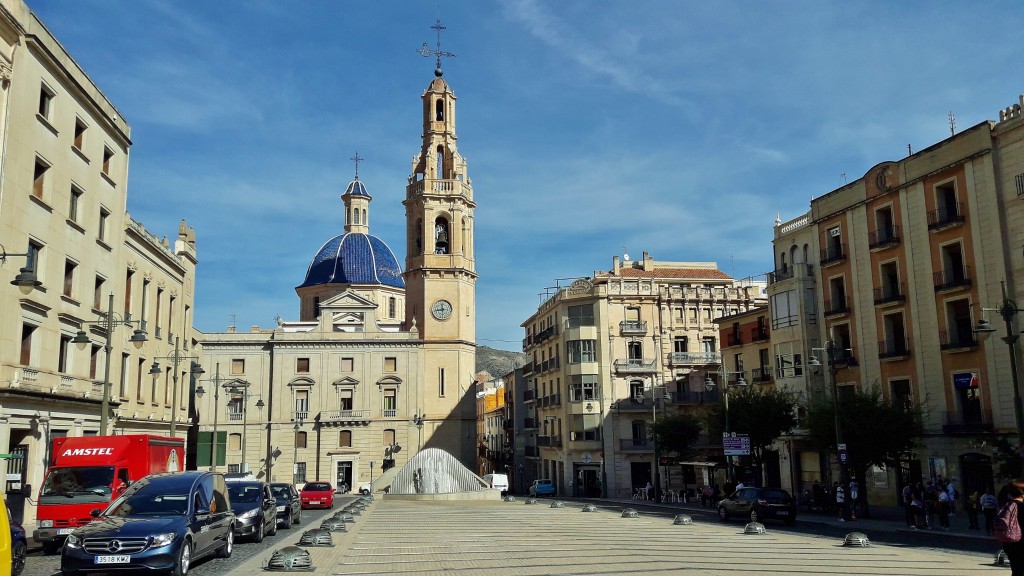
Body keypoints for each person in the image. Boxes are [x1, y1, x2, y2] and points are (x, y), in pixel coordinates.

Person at [999, 480, 1024, 576]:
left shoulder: (1006, 506)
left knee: (1016, 569)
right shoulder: (1021, 506)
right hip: (1021, 542)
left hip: (1009, 542)